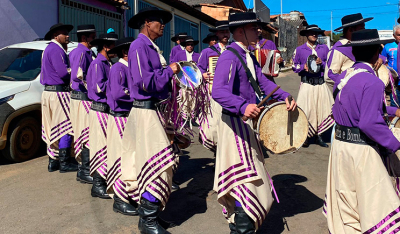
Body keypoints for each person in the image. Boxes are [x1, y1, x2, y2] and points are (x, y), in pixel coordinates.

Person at [212, 12, 297, 233]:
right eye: (254, 28)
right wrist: (242, 106)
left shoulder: (248, 55)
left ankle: (242, 228)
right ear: (240, 31)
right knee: (245, 180)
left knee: (249, 178)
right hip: (234, 125)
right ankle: (241, 229)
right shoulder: (229, 56)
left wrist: (284, 95)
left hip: (245, 125)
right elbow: (218, 91)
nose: (259, 31)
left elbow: (262, 83)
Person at [324, 29, 400, 234]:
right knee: (375, 208)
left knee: (348, 205)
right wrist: (395, 145)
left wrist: (393, 110)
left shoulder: (346, 76)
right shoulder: (373, 82)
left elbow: (350, 107)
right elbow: (369, 123)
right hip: (361, 153)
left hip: (341, 148)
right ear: (377, 52)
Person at [125, 7, 180, 233]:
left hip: (154, 111)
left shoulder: (150, 47)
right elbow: (144, 83)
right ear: (148, 23)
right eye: (160, 21)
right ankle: (147, 220)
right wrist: (170, 71)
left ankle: (152, 216)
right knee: (157, 165)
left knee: (161, 164)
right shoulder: (139, 46)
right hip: (145, 112)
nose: (163, 25)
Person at [104, 37, 138, 216]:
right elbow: (118, 93)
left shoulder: (128, 67)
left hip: (128, 117)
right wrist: (137, 96)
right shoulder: (118, 67)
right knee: (120, 158)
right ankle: (119, 199)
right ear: (126, 52)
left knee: (129, 158)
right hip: (120, 117)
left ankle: (129, 195)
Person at [41, 23, 78, 173]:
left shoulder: (47, 49)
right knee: (66, 127)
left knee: (52, 127)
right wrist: (75, 72)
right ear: (56, 35)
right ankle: (64, 162)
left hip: (48, 93)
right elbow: (63, 73)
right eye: (64, 33)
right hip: (59, 93)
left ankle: (53, 162)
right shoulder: (56, 50)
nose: (68, 36)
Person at [86, 32, 118, 199]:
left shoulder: (107, 63)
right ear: (106, 47)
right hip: (99, 110)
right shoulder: (99, 64)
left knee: (105, 146)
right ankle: (98, 185)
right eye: (113, 46)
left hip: (104, 109)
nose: (116, 50)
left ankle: (103, 182)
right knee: (100, 147)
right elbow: (100, 87)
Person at [292, 25, 333, 147]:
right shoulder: (299, 50)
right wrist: (302, 67)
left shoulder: (324, 48)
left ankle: (318, 136)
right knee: (305, 110)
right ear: (306, 34)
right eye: (311, 33)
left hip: (320, 84)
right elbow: (294, 65)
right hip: (307, 84)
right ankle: (305, 135)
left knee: (321, 109)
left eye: (316, 33)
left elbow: (330, 65)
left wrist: (323, 63)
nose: (314, 35)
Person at [196, 20, 230, 153]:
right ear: (217, 34)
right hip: (213, 94)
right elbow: (199, 69)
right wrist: (203, 75)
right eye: (222, 32)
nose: (225, 34)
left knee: (229, 126)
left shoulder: (234, 50)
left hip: (231, 94)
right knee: (214, 126)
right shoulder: (207, 52)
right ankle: (217, 154)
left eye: (227, 31)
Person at [69, 24, 96, 184]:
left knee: (85, 133)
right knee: (87, 133)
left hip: (80, 96)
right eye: (92, 37)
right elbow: (80, 75)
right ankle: (84, 171)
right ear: (85, 37)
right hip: (82, 97)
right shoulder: (82, 53)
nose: (94, 39)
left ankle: (85, 169)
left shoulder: (79, 51)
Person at [324, 13, 375, 91]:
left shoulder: (361, 45)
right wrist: (351, 84)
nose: (364, 31)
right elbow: (329, 75)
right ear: (351, 30)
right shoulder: (338, 50)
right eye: (362, 28)